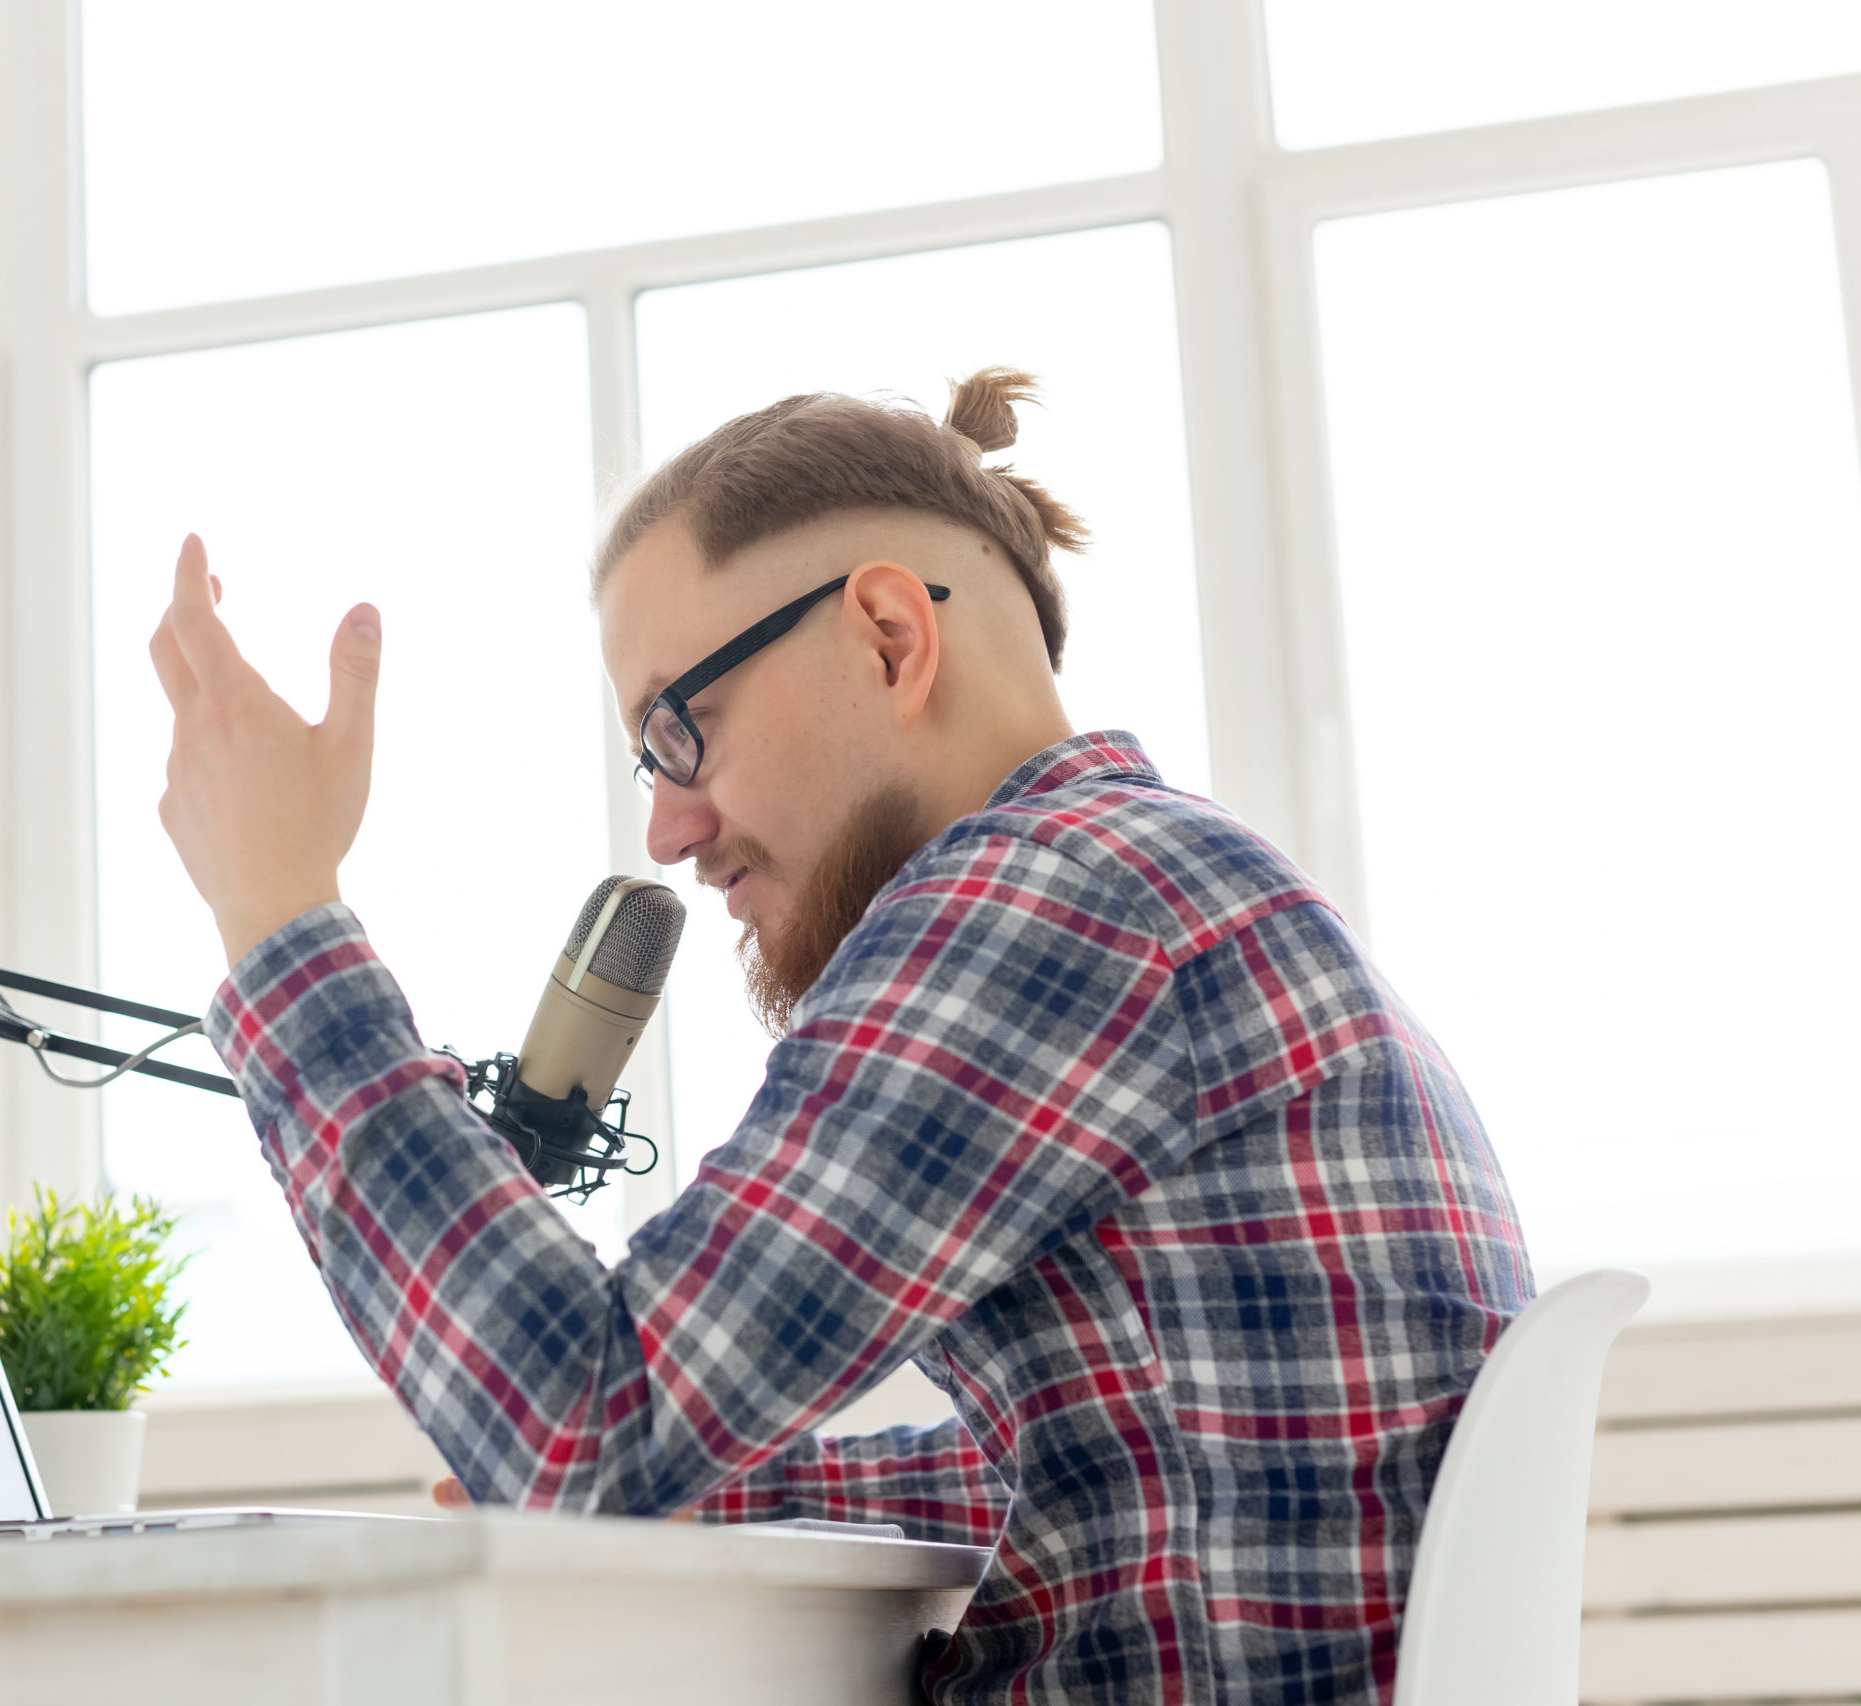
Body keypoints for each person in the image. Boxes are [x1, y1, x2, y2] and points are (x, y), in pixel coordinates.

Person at [148, 369, 1529, 1704]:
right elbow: (1091, 1469)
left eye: (679, 729)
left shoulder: (1051, 896)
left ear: (887, 634)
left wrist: (279, 915)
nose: (668, 828)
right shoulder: (1167, 885)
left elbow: (580, 1425)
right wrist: (715, 1491)